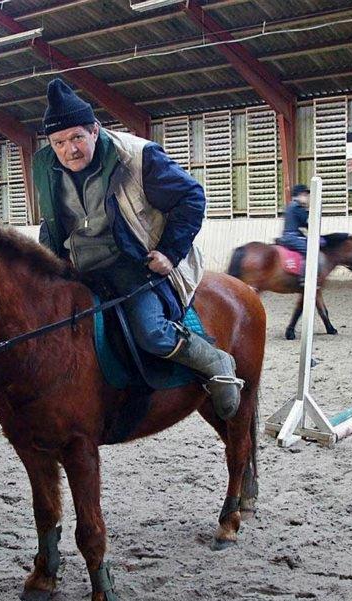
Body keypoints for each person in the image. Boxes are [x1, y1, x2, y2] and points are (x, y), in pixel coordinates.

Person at [33, 78, 242, 419]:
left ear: (95, 130)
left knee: (151, 333)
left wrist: (170, 252)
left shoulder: (138, 156)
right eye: (59, 142)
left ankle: (215, 361)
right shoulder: (46, 167)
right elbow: (52, 221)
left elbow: (191, 197)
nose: (70, 149)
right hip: (78, 263)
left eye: (77, 138)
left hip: (133, 261)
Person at [277, 183, 325, 286]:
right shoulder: (297, 207)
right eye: (306, 195)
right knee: (311, 252)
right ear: (300, 195)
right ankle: (304, 278)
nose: (307, 198)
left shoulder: (291, 206)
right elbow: (308, 223)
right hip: (292, 236)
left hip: (289, 235)